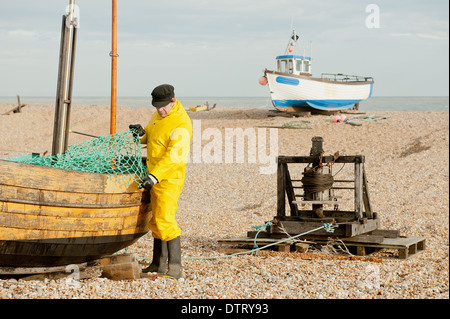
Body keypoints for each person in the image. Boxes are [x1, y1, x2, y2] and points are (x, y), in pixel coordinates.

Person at [129, 84, 192, 279]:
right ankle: (157, 264)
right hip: (154, 175)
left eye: (163, 106)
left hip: (169, 179)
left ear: (173, 100)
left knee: (165, 219)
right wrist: (141, 133)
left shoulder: (181, 123)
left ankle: (174, 268)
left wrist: (154, 176)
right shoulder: (159, 116)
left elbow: (174, 157)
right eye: (156, 106)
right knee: (155, 220)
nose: (159, 110)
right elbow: (152, 136)